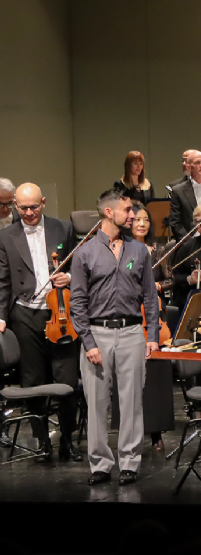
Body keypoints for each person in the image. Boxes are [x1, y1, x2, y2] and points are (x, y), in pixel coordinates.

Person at [72, 190, 160, 485]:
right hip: (97, 333)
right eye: (127, 210)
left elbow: (150, 295)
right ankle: (100, 464)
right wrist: (88, 342)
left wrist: (152, 334)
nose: (133, 215)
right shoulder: (84, 253)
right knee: (97, 403)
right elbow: (77, 303)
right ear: (109, 213)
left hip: (132, 332)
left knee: (132, 401)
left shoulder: (139, 251)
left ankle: (130, 462)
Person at [0, 183, 81, 462]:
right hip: (25, 314)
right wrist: (1, 317)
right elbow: (3, 281)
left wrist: (68, 277)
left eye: (34, 207)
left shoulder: (63, 228)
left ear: (43, 202)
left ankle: (67, 440)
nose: (29, 213)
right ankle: (42, 441)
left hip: (60, 312)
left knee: (67, 379)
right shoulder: (6, 236)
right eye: (23, 208)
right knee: (32, 380)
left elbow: (77, 264)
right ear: (15, 206)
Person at [125, 203, 174, 451]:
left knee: (155, 377)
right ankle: (131, 431)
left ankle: (156, 431)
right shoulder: (123, 249)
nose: (142, 224)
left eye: (145, 219)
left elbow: (170, 279)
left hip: (155, 318)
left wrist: (157, 287)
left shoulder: (158, 251)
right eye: (137, 220)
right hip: (131, 316)